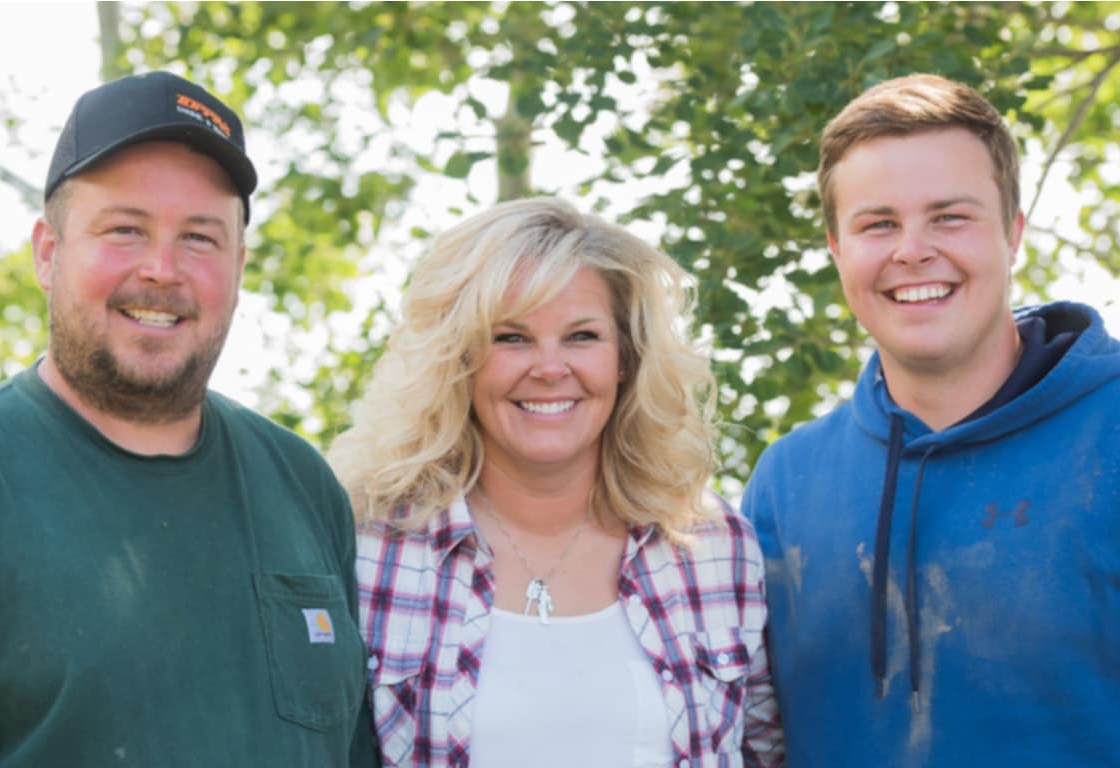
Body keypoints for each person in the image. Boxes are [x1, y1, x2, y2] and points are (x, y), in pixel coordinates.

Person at [0, 71, 377, 767]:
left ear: (239, 264)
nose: (162, 269)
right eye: (124, 229)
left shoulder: (301, 486)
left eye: (199, 238)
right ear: (48, 252)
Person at [743, 72, 1120, 766]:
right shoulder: (784, 482)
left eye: (949, 217)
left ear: (1012, 233)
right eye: (877, 224)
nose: (912, 249)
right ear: (836, 248)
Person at [328, 197, 784, 768]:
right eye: (512, 338)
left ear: (626, 358)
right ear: (458, 358)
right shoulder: (369, 551)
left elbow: (767, 753)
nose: (548, 368)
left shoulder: (715, 547)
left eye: (582, 336)